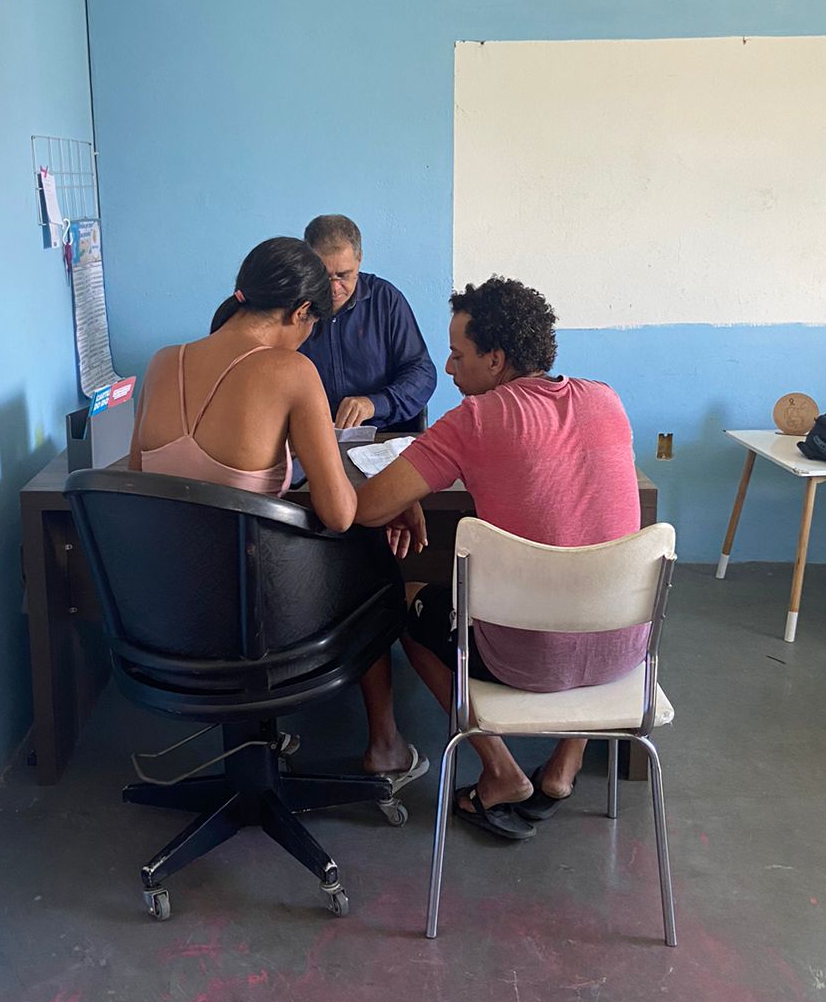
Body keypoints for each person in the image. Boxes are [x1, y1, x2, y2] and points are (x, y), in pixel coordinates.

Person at [354, 275, 646, 840]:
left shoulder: (475, 419)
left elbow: (366, 509)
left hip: (527, 659)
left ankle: (500, 771)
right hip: (625, 650)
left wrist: (405, 497)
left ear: (496, 359)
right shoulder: (606, 399)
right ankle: (562, 769)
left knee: (408, 605)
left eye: (458, 354)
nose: (448, 367)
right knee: (586, 577)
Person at [129, 236, 425, 785]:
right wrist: (399, 496)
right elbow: (339, 513)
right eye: (313, 325)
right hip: (258, 623)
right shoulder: (292, 371)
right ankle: (384, 744)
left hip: (165, 612)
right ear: (301, 311)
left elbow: (136, 484)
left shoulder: (162, 362)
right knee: (377, 568)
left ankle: (256, 741)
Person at [300, 214, 436, 432]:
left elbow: (422, 373)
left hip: (381, 434)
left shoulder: (386, 300)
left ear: (359, 259)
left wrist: (375, 404)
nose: (334, 288)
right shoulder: (293, 307)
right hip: (311, 434)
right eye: (324, 276)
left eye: (343, 275)